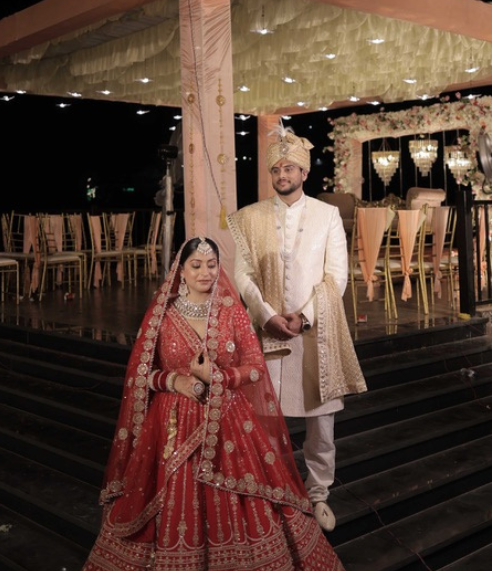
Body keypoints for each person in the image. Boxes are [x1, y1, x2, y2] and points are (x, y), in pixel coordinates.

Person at [82, 236, 346, 571]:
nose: (205, 272)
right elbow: (141, 374)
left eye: (211, 265)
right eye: (196, 265)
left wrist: (217, 377)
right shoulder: (161, 315)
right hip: (171, 426)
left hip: (229, 420)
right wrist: (174, 381)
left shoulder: (232, 311)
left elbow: (254, 368)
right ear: (181, 271)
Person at [227, 121, 367, 533]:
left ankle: (318, 493)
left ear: (305, 173)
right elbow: (243, 273)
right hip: (266, 329)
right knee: (265, 418)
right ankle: (273, 490)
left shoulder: (327, 216)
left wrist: (303, 316)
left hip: (315, 331)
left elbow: (336, 276)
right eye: (276, 170)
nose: (282, 175)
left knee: (320, 422)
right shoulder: (250, 218)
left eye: (290, 168)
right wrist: (267, 314)